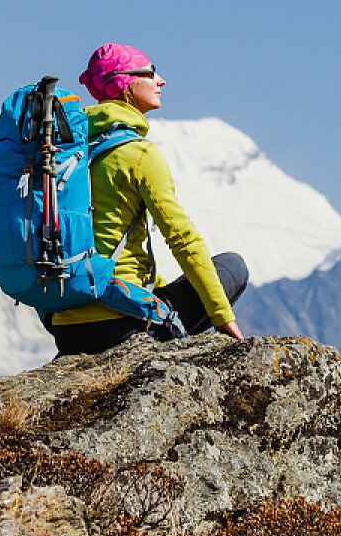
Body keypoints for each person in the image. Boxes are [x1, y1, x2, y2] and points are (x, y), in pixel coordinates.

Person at [45, 43, 250, 356]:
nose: (161, 80)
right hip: (121, 327)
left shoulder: (71, 154)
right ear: (124, 83)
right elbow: (183, 239)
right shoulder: (138, 153)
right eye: (151, 71)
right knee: (233, 267)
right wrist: (222, 317)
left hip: (67, 329)